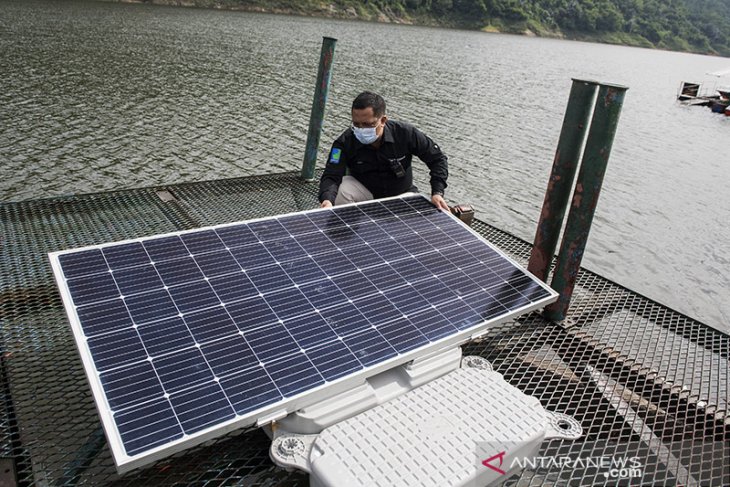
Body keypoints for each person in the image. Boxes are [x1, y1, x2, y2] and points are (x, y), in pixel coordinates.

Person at [318, 91, 449, 211]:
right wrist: (327, 200)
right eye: (356, 124)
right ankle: (351, 231)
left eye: (368, 124)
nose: (361, 129)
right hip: (366, 194)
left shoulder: (406, 133)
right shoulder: (343, 143)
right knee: (343, 189)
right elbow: (331, 175)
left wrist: (437, 192)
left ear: (383, 120)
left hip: (402, 195)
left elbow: (437, 159)